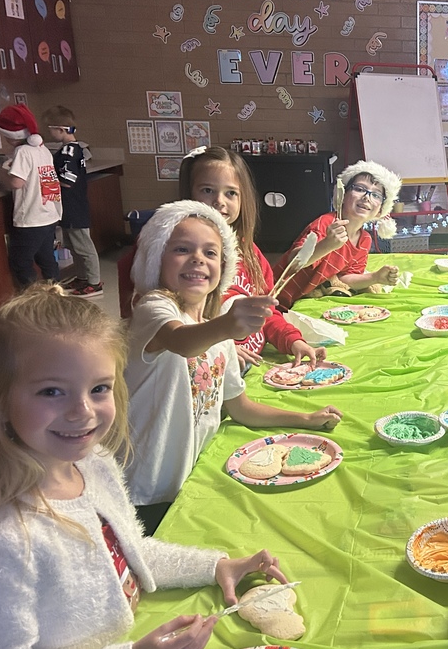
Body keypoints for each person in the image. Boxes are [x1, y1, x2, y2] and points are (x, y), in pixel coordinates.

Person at [0, 284, 291, 649]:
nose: (82, 411)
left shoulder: (94, 464)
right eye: (51, 391)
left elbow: (128, 550)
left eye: (99, 388)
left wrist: (216, 565)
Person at [123, 200, 342, 533]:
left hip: (191, 482)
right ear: (156, 259)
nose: (198, 258)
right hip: (145, 489)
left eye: (211, 253)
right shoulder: (154, 308)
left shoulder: (219, 334)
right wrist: (228, 326)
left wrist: (306, 419)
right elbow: (182, 342)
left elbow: (240, 408)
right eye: (182, 249)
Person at [178, 146, 328, 370]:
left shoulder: (250, 253)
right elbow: (172, 327)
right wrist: (219, 347)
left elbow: (266, 312)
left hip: (254, 363)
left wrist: (293, 340)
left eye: (231, 193)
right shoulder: (185, 261)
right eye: (207, 190)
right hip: (211, 369)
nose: (220, 201)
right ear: (189, 193)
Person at [273, 160, 401, 310]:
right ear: (342, 195)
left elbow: (345, 278)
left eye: (376, 195)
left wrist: (375, 277)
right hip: (277, 296)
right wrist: (327, 245)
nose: (367, 197)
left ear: (380, 210)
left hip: (304, 302)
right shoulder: (326, 223)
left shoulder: (365, 239)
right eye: (360, 189)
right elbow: (293, 262)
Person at [0, 104, 62, 287]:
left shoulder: (22, 152)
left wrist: (0, 175)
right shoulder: (42, 149)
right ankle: (56, 294)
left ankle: (32, 301)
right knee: (46, 259)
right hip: (49, 214)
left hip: (31, 219)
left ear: (10, 136)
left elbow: (16, 183)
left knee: (20, 262)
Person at [43, 105, 103, 298]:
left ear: (60, 129)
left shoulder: (69, 152)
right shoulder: (74, 149)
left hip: (74, 206)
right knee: (74, 245)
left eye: (50, 130)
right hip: (70, 207)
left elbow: (68, 180)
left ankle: (94, 281)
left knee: (84, 246)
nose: (49, 134)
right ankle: (82, 276)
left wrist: (46, 180)